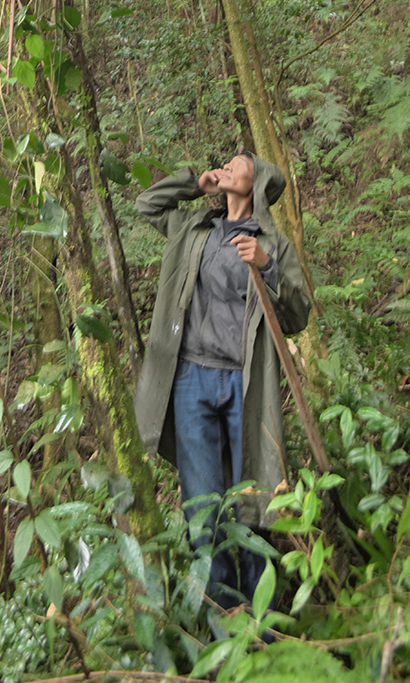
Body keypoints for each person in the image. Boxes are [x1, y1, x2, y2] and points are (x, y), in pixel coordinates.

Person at [133, 151, 311, 611]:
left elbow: (298, 316)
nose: (229, 166)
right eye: (226, 163)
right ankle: (220, 622)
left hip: (245, 386)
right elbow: (147, 205)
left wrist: (268, 264)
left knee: (253, 503)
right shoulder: (195, 229)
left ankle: (264, 624)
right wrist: (195, 182)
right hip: (191, 380)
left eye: (240, 163)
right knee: (203, 506)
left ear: (258, 181)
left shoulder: (272, 242)